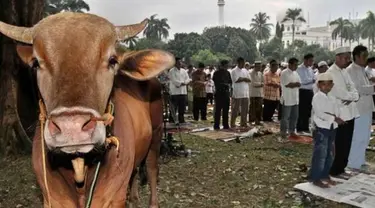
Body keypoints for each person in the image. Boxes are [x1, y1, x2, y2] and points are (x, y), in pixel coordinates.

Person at [328, 46, 359, 179]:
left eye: (349, 58)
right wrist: (352, 96)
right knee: (339, 143)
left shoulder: (345, 72)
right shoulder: (330, 73)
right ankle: (335, 170)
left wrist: (352, 96)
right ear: (338, 57)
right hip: (339, 113)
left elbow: (354, 90)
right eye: (346, 58)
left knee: (347, 142)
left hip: (350, 112)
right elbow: (337, 92)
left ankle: (342, 168)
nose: (348, 60)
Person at [309, 72, 344, 188]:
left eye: (329, 84)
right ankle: (316, 177)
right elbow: (320, 113)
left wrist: (337, 117)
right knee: (320, 154)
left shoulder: (332, 97)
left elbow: (336, 110)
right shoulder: (317, 97)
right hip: (322, 128)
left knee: (329, 153)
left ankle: (325, 174)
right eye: (324, 84)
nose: (326, 87)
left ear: (332, 85)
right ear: (319, 85)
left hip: (332, 127)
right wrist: (334, 117)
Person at [346, 45, 374, 172]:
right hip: (358, 108)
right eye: (364, 56)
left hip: (367, 107)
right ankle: (353, 163)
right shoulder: (350, 71)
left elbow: (366, 85)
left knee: (365, 136)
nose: (366, 59)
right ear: (356, 56)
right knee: (357, 136)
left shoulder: (363, 70)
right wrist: (373, 88)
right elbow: (356, 89)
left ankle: (360, 160)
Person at [279, 57, 301, 142]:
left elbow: (299, 84)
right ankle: (283, 132)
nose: (296, 66)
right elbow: (288, 85)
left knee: (294, 116)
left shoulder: (296, 73)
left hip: (295, 98)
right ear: (290, 64)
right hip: (287, 98)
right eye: (295, 65)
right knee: (285, 117)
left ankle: (292, 131)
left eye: (297, 65)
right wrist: (294, 84)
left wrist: (294, 84)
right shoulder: (284, 73)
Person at [168, 57, 191, 124]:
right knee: (174, 107)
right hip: (175, 92)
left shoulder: (183, 71)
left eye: (180, 62)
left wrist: (185, 82)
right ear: (175, 63)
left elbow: (188, 79)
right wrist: (181, 83)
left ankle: (181, 119)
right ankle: (172, 120)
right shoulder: (171, 71)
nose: (180, 63)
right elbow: (174, 81)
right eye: (178, 62)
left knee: (182, 107)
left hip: (183, 91)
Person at [296, 53, 315, 134]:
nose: (311, 62)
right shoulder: (299, 69)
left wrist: (311, 81)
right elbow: (301, 82)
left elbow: (313, 78)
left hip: (310, 91)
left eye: (312, 61)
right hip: (302, 91)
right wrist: (310, 81)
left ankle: (305, 126)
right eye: (310, 60)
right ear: (305, 60)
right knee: (301, 110)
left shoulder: (310, 69)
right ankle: (299, 127)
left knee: (308, 110)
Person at [230, 57, 251, 128]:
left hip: (245, 93)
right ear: (238, 62)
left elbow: (249, 79)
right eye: (242, 63)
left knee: (245, 109)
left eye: (244, 63)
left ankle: (243, 123)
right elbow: (236, 80)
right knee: (235, 109)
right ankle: (232, 123)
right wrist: (244, 79)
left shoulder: (245, 70)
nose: (243, 64)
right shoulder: (233, 71)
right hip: (237, 93)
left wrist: (242, 79)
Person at [213, 60, 232, 130]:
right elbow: (216, 83)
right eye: (226, 65)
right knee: (218, 110)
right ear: (222, 65)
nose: (227, 66)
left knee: (226, 110)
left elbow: (230, 82)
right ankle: (216, 125)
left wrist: (228, 86)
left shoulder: (228, 73)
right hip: (219, 93)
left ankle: (225, 124)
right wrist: (225, 85)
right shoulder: (216, 73)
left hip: (226, 94)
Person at [249, 61, 264, 125]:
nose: (260, 68)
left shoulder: (260, 73)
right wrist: (260, 84)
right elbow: (252, 83)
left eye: (260, 66)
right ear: (255, 66)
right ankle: (251, 120)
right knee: (253, 107)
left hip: (259, 93)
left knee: (259, 107)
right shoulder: (251, 73)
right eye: (259, 66)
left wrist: (261, 84)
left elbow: (263, 82)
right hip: (253, 93)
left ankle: (258, 120)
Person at [366, 57, 375, 121]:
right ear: (370, 63)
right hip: (370, 92)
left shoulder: (373, 70)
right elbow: (372, 79)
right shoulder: (366, 70)